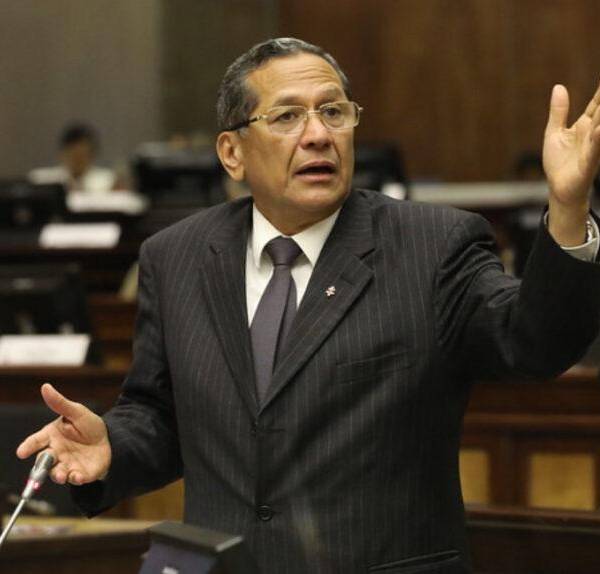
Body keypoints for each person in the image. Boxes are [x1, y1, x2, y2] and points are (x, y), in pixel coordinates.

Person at [16, 38, 600, 573]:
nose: (318, 134)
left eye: (333, 112)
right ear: (232, 153)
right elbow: (162, 414)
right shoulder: (177, 257)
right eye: (287, 116)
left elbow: (533, 343)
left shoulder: (432, 246)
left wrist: (568, 209)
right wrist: (113, 445)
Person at [29, 123, 116, 193]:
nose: (78, 161)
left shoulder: (108, 181)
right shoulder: (43, 180)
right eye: (74, 155)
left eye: (82, 156)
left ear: (92, 156)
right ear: (62, 154)